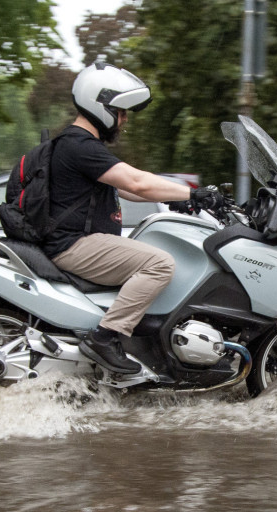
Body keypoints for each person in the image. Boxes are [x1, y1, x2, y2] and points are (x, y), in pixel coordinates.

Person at [40, 61, 221, 374]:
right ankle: (106, 337)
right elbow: (137, 182)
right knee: (160, 264)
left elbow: (129, 190)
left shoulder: (78, 145)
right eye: (121, 112)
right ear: (101, 106)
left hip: (79, 241)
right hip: (75, 244)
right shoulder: (79, 145)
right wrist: (193, 193)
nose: (123, 120)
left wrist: (174, 197)